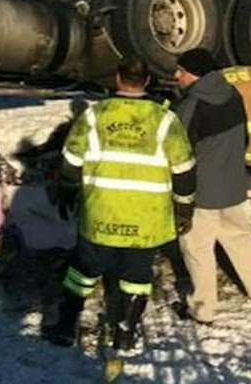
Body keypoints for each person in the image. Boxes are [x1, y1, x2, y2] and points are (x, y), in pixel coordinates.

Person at [42, 56, 197, 353]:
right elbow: (184, 171)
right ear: (148, 82)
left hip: (101, 215)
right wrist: (184, 208)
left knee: (82, 271)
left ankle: (64, 327)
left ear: (117, 78)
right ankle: (125, 330)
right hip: (147, 220)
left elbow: (71, 163)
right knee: (137, 277)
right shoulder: (166, 121)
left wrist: (66, 192)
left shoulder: (94, 116)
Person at [171, 48, 251, 322]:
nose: (176, 76)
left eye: (180, 71)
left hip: (201, 191)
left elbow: (178, 150)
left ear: (194, 74)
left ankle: (203, 309)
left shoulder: (192, 104)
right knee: (240, 239)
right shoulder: (233, 95)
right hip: (231, 186)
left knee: (198, 249)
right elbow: (243, 140)